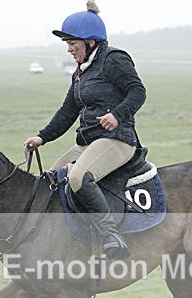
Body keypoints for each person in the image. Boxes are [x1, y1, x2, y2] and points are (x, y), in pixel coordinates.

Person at [24, 1, 146, 260]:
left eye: (72, 43)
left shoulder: (114, 60)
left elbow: (138, 91)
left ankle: (111, 236)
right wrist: (42, 137)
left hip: (117, 140)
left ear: (91, 42)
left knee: (79, 177)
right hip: (88, 142)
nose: (69, 49)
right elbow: (68, 111)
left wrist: (117, 115)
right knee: (49, 181)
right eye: (67, 44)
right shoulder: (80, 72)